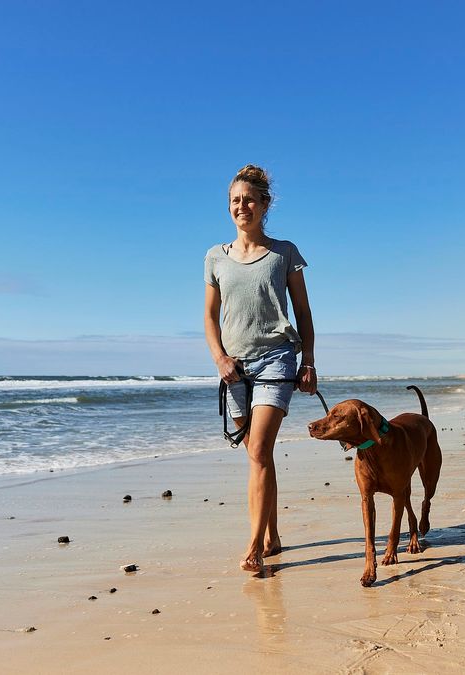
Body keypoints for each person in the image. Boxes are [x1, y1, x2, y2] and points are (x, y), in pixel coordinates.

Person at [204, 164, 317, 573]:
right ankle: (272, 535)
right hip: (234, 367)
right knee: (258, 456)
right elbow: (210, 318)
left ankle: (253, 546)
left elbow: (303, 312)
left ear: (265, 204)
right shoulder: (215, 257)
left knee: (258, 450)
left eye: (249, 199)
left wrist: (309, 361)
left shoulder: (284, 253)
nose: (241, 206)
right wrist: (219, 358)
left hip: (277, 358)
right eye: (235, 200)